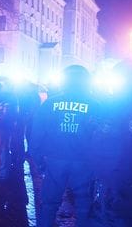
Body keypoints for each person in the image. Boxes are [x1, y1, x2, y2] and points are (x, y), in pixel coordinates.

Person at [90, 60, 132, 227]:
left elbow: (96, 140)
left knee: (110, 218)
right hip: (129, 177)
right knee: (121, 218)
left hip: (119, 177)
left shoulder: (108, 105)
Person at [29, 65, 101, 227]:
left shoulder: (50, 103)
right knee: (83, 205)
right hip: (84, 161)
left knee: (49, 205)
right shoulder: (96, 105)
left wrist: (38, 160)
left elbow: (37, 133)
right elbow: (102, 136)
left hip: (55, 160)